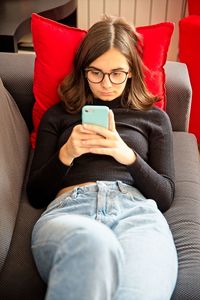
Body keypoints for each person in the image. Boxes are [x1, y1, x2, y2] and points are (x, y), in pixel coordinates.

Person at [27, 15, 178, 300]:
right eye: (95, 72)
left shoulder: (155, 119)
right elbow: (36, 194)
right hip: (71, 211)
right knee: (93, 244)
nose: (106, 84)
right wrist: (66, 154)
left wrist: (128, 156)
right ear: (83, 70)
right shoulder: (58, 115)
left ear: (132, 71)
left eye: (117, 73)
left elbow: (166, 195)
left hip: (136, 213)